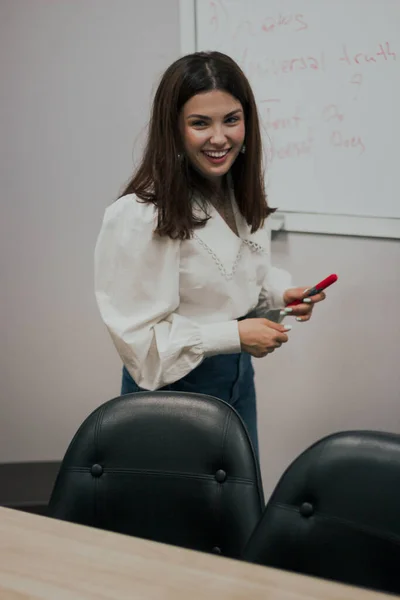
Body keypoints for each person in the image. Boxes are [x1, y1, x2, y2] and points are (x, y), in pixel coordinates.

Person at [94, 51, 326, 458]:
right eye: (200, 123)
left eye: (231, 120)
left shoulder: (238, 194)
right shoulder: (138, 216)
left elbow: (234, 279)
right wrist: (234, 335)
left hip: (237, 379)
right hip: (171, 392)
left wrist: (279, 297)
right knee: (171, 518)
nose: (220, 138)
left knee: (235, 509)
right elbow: (142, 349)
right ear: (175, 130)